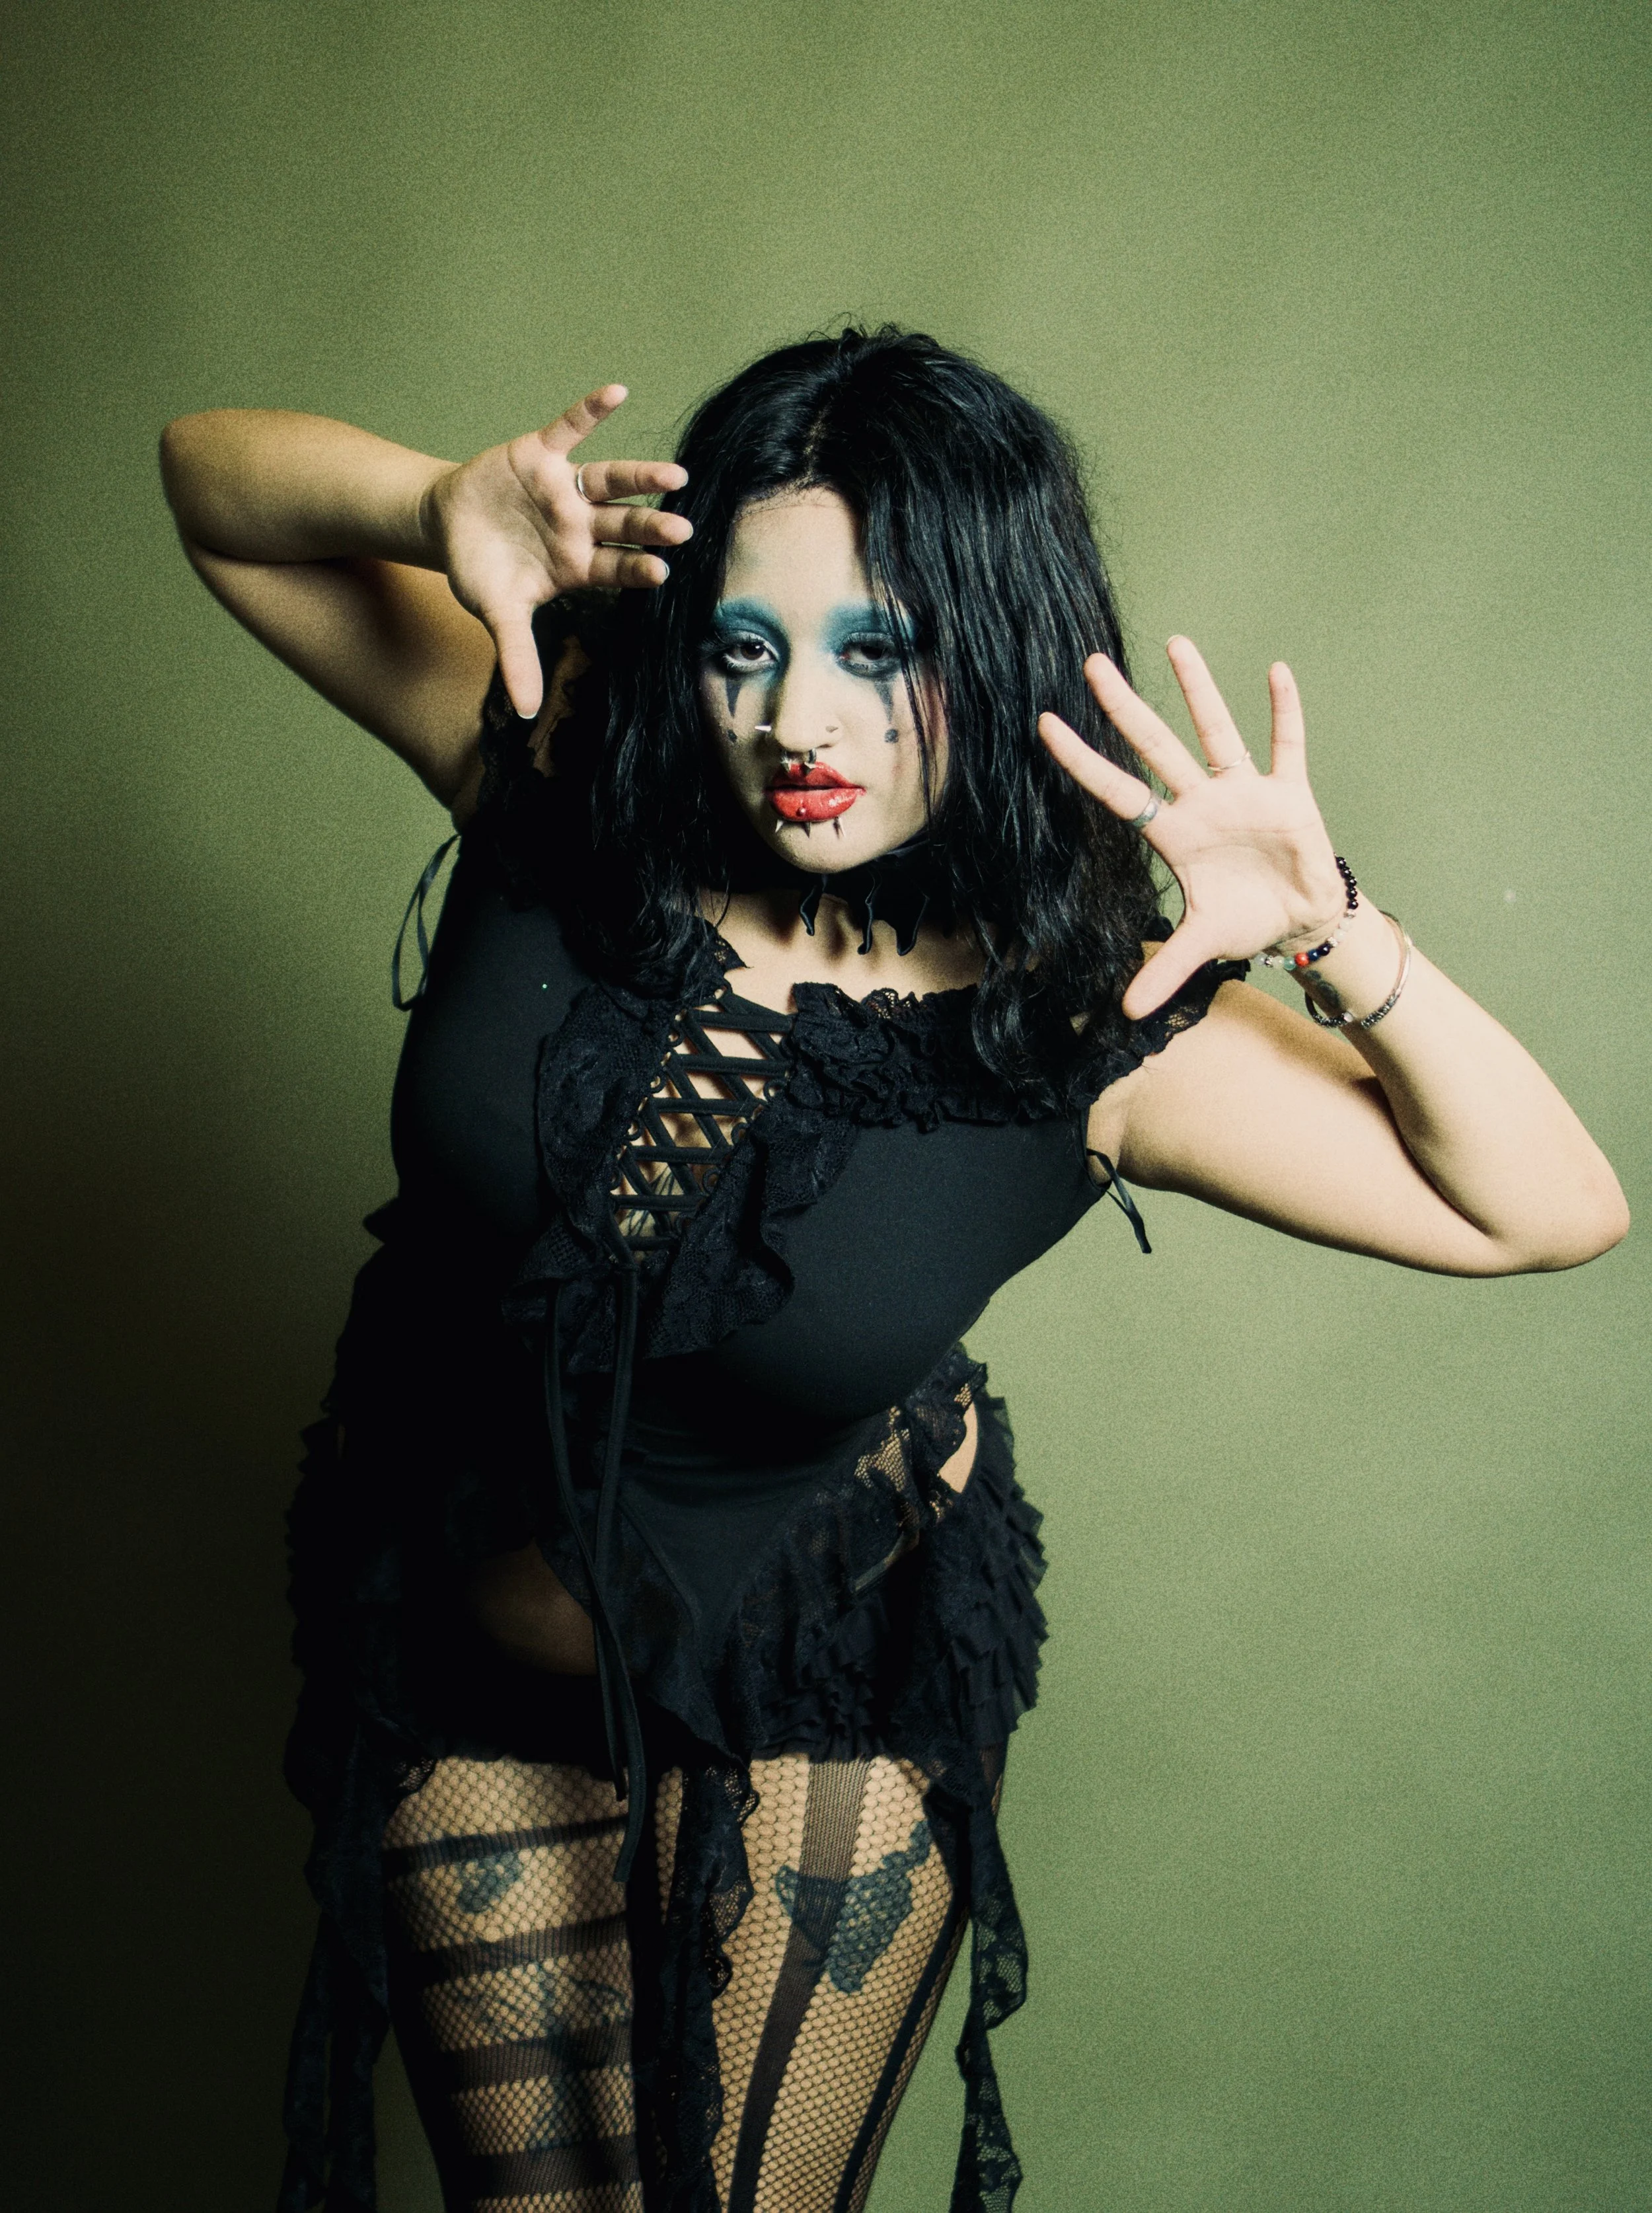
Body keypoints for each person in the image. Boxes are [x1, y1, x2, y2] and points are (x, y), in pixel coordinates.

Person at [159, 328, 1626, 2213]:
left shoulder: (1089, 1020)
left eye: (883, 649)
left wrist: (1327, 927)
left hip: (818, 1679)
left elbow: (1544, 1206)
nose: (802, 724)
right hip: (461, 1647)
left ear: (997, 646)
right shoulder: (563, 750)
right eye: (745, 643)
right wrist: (429, 502)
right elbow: (215, 487)